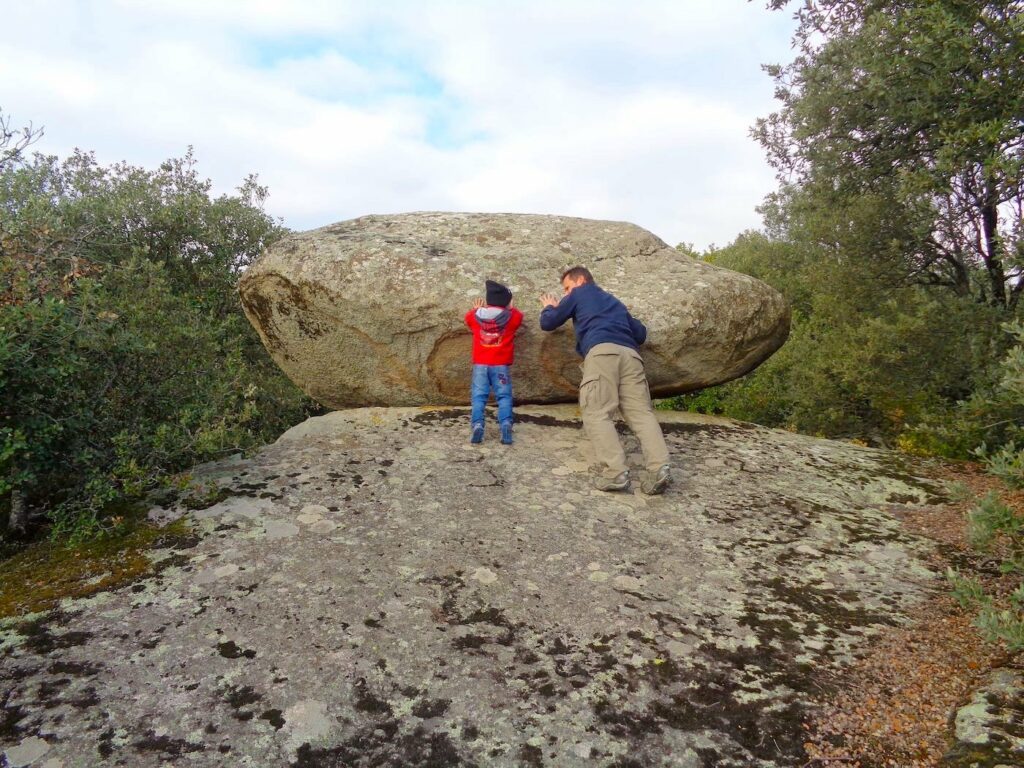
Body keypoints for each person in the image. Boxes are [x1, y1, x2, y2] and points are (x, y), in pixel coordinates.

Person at [539, 266, 670, 494]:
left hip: (601, 353)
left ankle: (615, 472)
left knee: (597, 412)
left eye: (567, 288)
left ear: (580, 281)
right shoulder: (615, 302)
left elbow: (549, 323)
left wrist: (549, 307)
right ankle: (659, 468)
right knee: (641, 414)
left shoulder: (578, 294)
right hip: (631, 357)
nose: (566, 293)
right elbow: (641, 333)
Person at [465, 279, 524, 445]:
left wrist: (477, 309)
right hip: (500, 366)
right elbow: (519, 317)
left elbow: (468, 318)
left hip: (480, 366)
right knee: (504, 396)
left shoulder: (475, 317)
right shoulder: (511, 318)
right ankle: (505, 424)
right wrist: (511, 307)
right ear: (506, 302)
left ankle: (477, 425)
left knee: (478, 397)